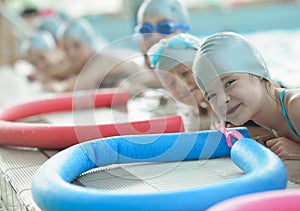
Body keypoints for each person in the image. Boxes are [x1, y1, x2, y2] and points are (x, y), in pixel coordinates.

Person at [192, 31, 300, 160]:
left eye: (229, 83)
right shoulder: (271, 123)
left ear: (258, 72)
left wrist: (297, 151)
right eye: (211, 96)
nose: (222, 100)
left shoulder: (296, 106)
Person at [51, 18, 146, 94]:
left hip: (149, 80)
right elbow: (54, 73)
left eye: (77, 45)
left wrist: (53, 85)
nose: (71, 53)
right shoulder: (80, 63)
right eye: (66, 49)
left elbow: (72, 88)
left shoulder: (100, 60)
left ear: (89, 43)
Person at [147, 33, 216, 130]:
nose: (181, 86)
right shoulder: (190, 115)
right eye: (171, 83)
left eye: (185, 73)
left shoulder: (229, 108)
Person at [135, 0, 190, 88]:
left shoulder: (199, 68)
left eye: (165, 28)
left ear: (183, 31)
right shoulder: (136, 71)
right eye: (145, 30)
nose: (154, 37)